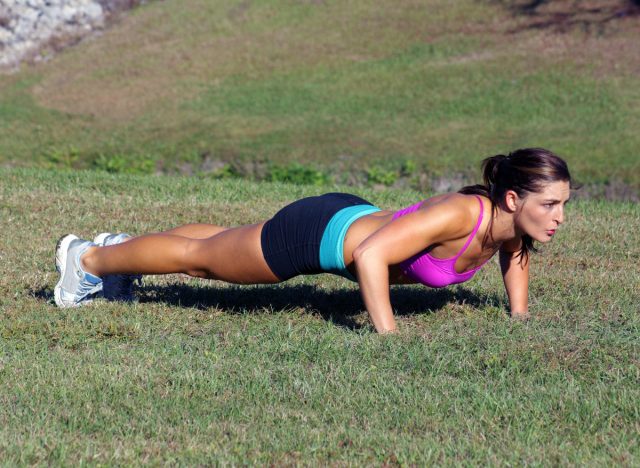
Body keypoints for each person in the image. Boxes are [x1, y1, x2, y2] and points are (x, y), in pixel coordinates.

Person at [54, 147, 573, 333]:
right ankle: (90, 259)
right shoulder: (463, 212)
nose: (559, 217)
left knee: (223, 241)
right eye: (549, 204)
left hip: (344, 217)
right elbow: (371, 256)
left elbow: (514, 255)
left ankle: (121, 246)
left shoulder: (507, 228)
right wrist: (388, 335)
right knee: (202, 262)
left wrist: (519, 317)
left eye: (563, 203)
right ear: (511, 200)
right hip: (320, 235)